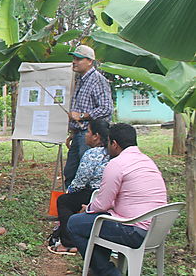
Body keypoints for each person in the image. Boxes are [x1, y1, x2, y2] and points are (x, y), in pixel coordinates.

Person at [67, 123, 167, 276]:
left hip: (133, 231)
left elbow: (102, 204)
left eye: (108, 143)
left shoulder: (117, 164)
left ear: (114, 144)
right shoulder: (147, 161)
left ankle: (108, 272)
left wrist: (87, 208)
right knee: (98, 222)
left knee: (75, 223)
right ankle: (100, 269)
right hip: (156, 231)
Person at [48, 120, 110, 254]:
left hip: (94, 194)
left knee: (64, 201)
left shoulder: (92, 154)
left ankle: (68, 243)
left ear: (96, 136)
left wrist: (69, 191)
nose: (86, 135)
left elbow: (80, 181)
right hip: (110, 196)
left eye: (88, 131)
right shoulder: (114, 153)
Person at [65, 45, 113, 187]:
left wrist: (81, 116)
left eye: (79, 59)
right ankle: (71, 204)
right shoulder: (80, 80)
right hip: (79, 134)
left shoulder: (97, 80)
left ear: (90, 61)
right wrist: (73, 132)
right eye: (74, 58)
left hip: (90, 135)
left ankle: (86, 206)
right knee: (70, 172)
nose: (74, 61)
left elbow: (106, 108)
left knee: (86, 174)